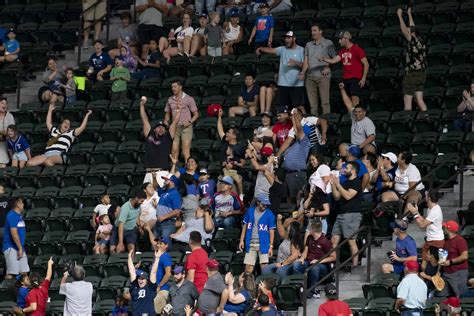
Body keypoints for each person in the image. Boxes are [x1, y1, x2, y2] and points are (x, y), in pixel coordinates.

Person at [27, 106, 92, 168]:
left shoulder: (70, 134)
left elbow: (82, 127)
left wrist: (87, 115)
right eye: (65, 122)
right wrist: (50, 111)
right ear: (61, 124)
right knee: (29, 163)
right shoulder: (55, 131)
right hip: (46, 153)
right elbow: (48, 123)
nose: (67, 124)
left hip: (59, 154)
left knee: (48, 162)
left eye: (68, 124)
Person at [257, 31, 305, 111]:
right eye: (286, 38)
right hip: (283, 84)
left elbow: (306, 66)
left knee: (298, 108)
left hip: (297, 85)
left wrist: (296, 63)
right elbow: (271, 50)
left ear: (294, 38)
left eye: (289, 38)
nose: (287, 40)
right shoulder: (282, 49)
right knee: (282, 109)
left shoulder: (302, 50)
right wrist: (261, 48)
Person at [321, 31, 369, 106]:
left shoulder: (357, 49)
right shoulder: (342, 51)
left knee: (354, 99)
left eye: (340, 39)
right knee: (347, 100)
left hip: (355, 78)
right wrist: (324, 59)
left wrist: (363, 78)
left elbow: (366, 64)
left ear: (346, 39)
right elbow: (334, 60)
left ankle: (357, 116)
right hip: (346, 79)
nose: (339, 41)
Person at [140, 96, 180, 187]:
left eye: (163, 127)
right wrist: (142, 106)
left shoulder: (168, 137)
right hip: (148, 173)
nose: (161, 128)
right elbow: (144, 119)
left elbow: (175, 122)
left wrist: (178, 110)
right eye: (158, 127)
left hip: (161, 172)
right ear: (154, 129)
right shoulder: (150, 134)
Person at [329, 161, 363, 268]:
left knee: (351, 241)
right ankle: (332, 264)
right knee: (334, 239)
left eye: (347, 168)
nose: (344, 170)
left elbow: (348, 196)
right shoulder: (345, 183)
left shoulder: (356, 182)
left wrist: (338, 184)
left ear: (353, 171)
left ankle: (355, 265)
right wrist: (333, 184)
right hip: (341, 214)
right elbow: (337, 197)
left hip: (352, 214)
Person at [300, 24, 336, 115]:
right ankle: (314, 126)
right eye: (312, 31)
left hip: (323, 76)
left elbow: (335, 59)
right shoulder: (308, 45)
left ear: (320, 31)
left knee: (325, 103)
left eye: (315, 30)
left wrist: (328, 67)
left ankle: (327, 125)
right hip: (310, 77)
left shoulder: (328, 43)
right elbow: (306, 61)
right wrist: (303, 72)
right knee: (313, 105)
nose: (313, 33)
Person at [293, 221, 335, 298]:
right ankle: (300, 288)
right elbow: (306, 249)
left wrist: (318, 261)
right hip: (308, 261)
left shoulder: (324, 241)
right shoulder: (309, 237)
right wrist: (302, 258)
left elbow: (333, 256)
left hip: (322, 265)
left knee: (314, 267)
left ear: (313, 230)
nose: (308, 230)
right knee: (296, 265)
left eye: (310, 228)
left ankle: (311, 291)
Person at [397, 7, 428, 112]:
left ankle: (407, 122)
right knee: (419, 100)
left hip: (412, 74)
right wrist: (409, 14)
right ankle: (427, 118)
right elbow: (412, 28)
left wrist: (399, 15)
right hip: (421, 74)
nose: (408, 31)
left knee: (407, 100)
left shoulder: (412, 40)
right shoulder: (421, 41)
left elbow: (404, 30)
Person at [278, 109, 310, 203]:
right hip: (289, 174)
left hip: (297, 174)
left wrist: (295, 117)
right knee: (289, 201)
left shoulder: (305, 141)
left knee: (299, 200)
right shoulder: (294, 145)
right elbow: (297, 131)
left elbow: (299, 131)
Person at [407, 190, 444, 270]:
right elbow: (424, 221)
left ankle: (431, 280)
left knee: (432, 264)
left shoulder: (435, 210)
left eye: (426, 195)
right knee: (424, 263)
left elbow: (422, 225)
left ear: (429, 198)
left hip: (436, 241)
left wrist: (414, 213)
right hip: (429, 240)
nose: (425, 197)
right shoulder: (430, 209)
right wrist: (416, 212)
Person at [239, 193, 276, 273]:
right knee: (248, 269)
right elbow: (245, 225)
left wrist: (271, 246)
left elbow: (271, 231)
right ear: (258, 202)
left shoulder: (269, 214)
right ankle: (247, 284)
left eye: (266, 205)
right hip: (251, 243)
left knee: (265, 268)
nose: (265, 206)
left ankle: (264, 285)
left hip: (264, 244)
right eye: (263, 204)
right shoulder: (250, 211)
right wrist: (241, 240)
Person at [164, 80, 199, 162]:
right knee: (174, 151)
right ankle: (174, 170)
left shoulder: (188, 98)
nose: (173, 88)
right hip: (175, 128)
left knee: (185, 151)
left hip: (186, 127)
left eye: (175, 86)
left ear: (180, 87)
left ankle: (188, 172)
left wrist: (189, 122)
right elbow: (167, 113)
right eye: (172, 87)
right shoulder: (170, 99)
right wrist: (166, 121)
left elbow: (196, 114)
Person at [338, 82, 376, 153]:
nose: (357, 114)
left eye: (359, 112)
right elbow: (347, 102)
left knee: (368, 149)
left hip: (365, 145)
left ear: (364, 113)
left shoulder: (368, 122)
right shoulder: (354, 116)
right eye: (355, 112)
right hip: (354, 145)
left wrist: (359, 147)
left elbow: (372, 137)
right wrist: (342, 89)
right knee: (342, 146)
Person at [144, 232, 173, 314]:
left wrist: (159, 286)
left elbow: (168, 273)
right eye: (158, 243)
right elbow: (153, 242)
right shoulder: (158, 255)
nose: (158, 245)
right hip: (155, 289)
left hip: (162, 290)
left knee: (159, 312)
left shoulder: (165, 256)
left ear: (166, 246)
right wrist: (149, 230)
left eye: (161, 244)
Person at [438, 221, 469, 297]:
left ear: (449, 230)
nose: (443, 230)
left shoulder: (460, 240)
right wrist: (439, 270)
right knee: (442, 295)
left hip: (458, 273)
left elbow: (464, 256)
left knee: (459, 297)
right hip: (447, 273)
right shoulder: (447, 241)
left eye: (445, 228)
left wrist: (451, 262)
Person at [128, 249, 161, 316]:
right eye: (139, 278)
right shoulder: (135, 286)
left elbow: (153, 272)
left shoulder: (150, 287)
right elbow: (132, 272)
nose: (140, 280)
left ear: (147, 279)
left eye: (142, 278)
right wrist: (129, 258)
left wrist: (157, 258)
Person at [3, 198, 29, 279]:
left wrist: (20, 248)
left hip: (19, 247)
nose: (23, 204)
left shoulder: (18, 216)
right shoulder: (12, 215)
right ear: (17, 204)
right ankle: (6, 290)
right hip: (11, 247)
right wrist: (20, 248)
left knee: (24, 273)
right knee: (11, 273)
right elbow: (14, 233)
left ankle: (22, 291)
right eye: (21, 202)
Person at [155, 173, 182, 243]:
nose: (164, 181)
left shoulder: (175, 193)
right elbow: (155, 187)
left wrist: (163, 217)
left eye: (166, 180)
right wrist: (154, 178)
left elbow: (177, 211)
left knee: (164, 244)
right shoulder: (164, 191)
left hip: (168, 223)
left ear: (172, 181)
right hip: (159, 223)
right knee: (155, 244)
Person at [0, 97, 15, 168]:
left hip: (6, 142)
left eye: (6, 103)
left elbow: (12, 132)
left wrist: (4, 133)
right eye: (2, 103)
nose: (5, 105)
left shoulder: (10, 116)